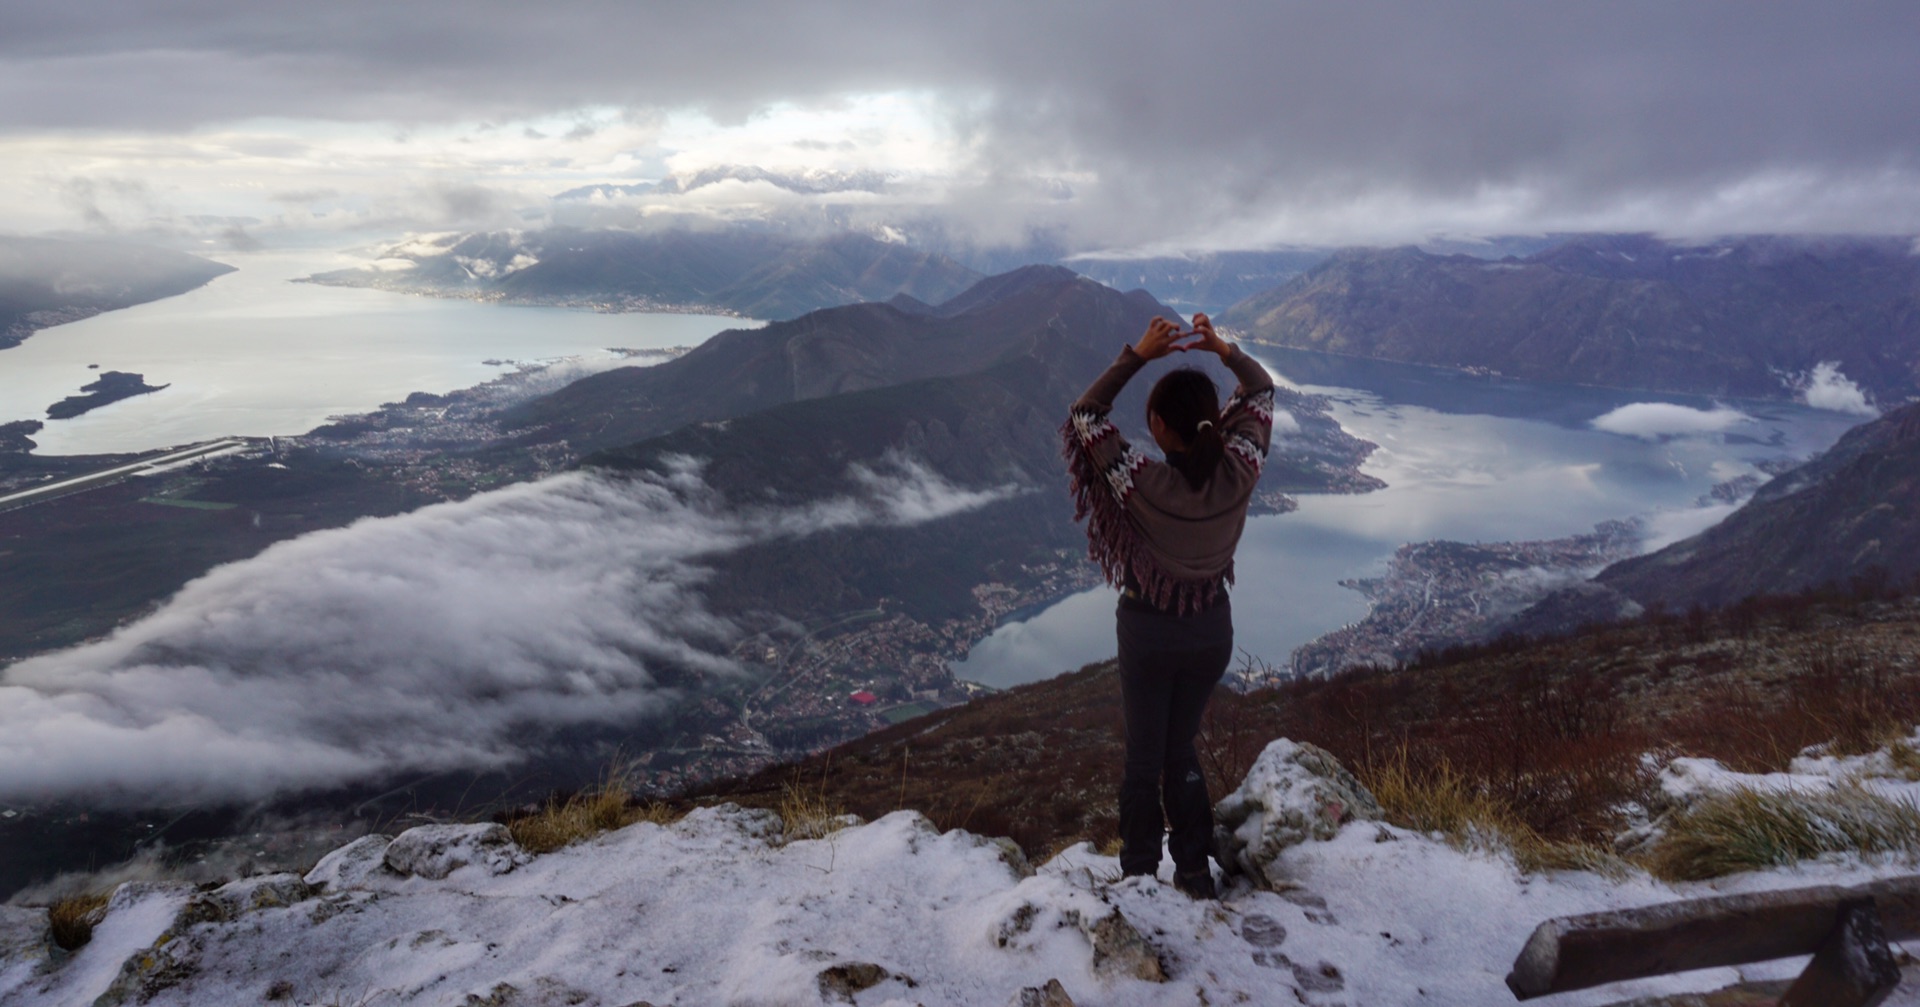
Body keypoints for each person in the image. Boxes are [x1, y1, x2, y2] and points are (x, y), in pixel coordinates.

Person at [1060, 311, 1275, 899]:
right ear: (1212, 421)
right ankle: (1192, 873)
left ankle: (1136, 877)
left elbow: (1084, 418)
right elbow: (1260, 392)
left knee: (1142, 758)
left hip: (1149, 631)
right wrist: (1223, 352)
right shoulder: (1240, 469)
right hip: (1211, 629)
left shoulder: (1142, 483)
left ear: (1157, 426)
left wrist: (1138, 356)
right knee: (1180, 749)